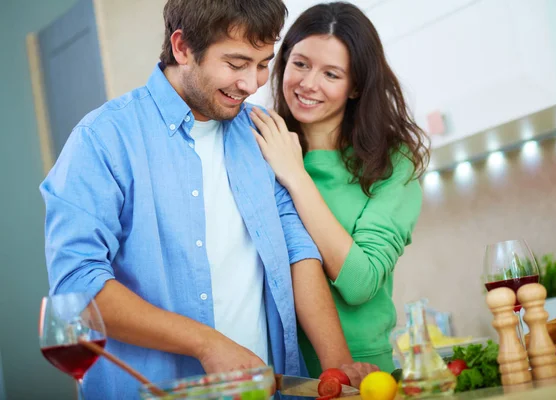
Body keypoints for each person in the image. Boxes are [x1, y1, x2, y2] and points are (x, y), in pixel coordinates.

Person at [40, 1, 374, 398]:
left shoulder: (259, 132)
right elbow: (78, 287)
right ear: (182, 48)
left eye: (263, 63)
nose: (252, 84)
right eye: (236, 64)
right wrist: (205, 342)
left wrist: (338, 367)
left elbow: (297, 250)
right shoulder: (103, 139)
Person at [250, 2, 429, 377]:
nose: (308, 83)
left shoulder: (394, 163)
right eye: (300, 63)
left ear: (356, 86)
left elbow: (360, 282)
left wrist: (296, 176)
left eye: (331, 74)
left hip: (361, 372)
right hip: (278, 371)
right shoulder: (259, 143)